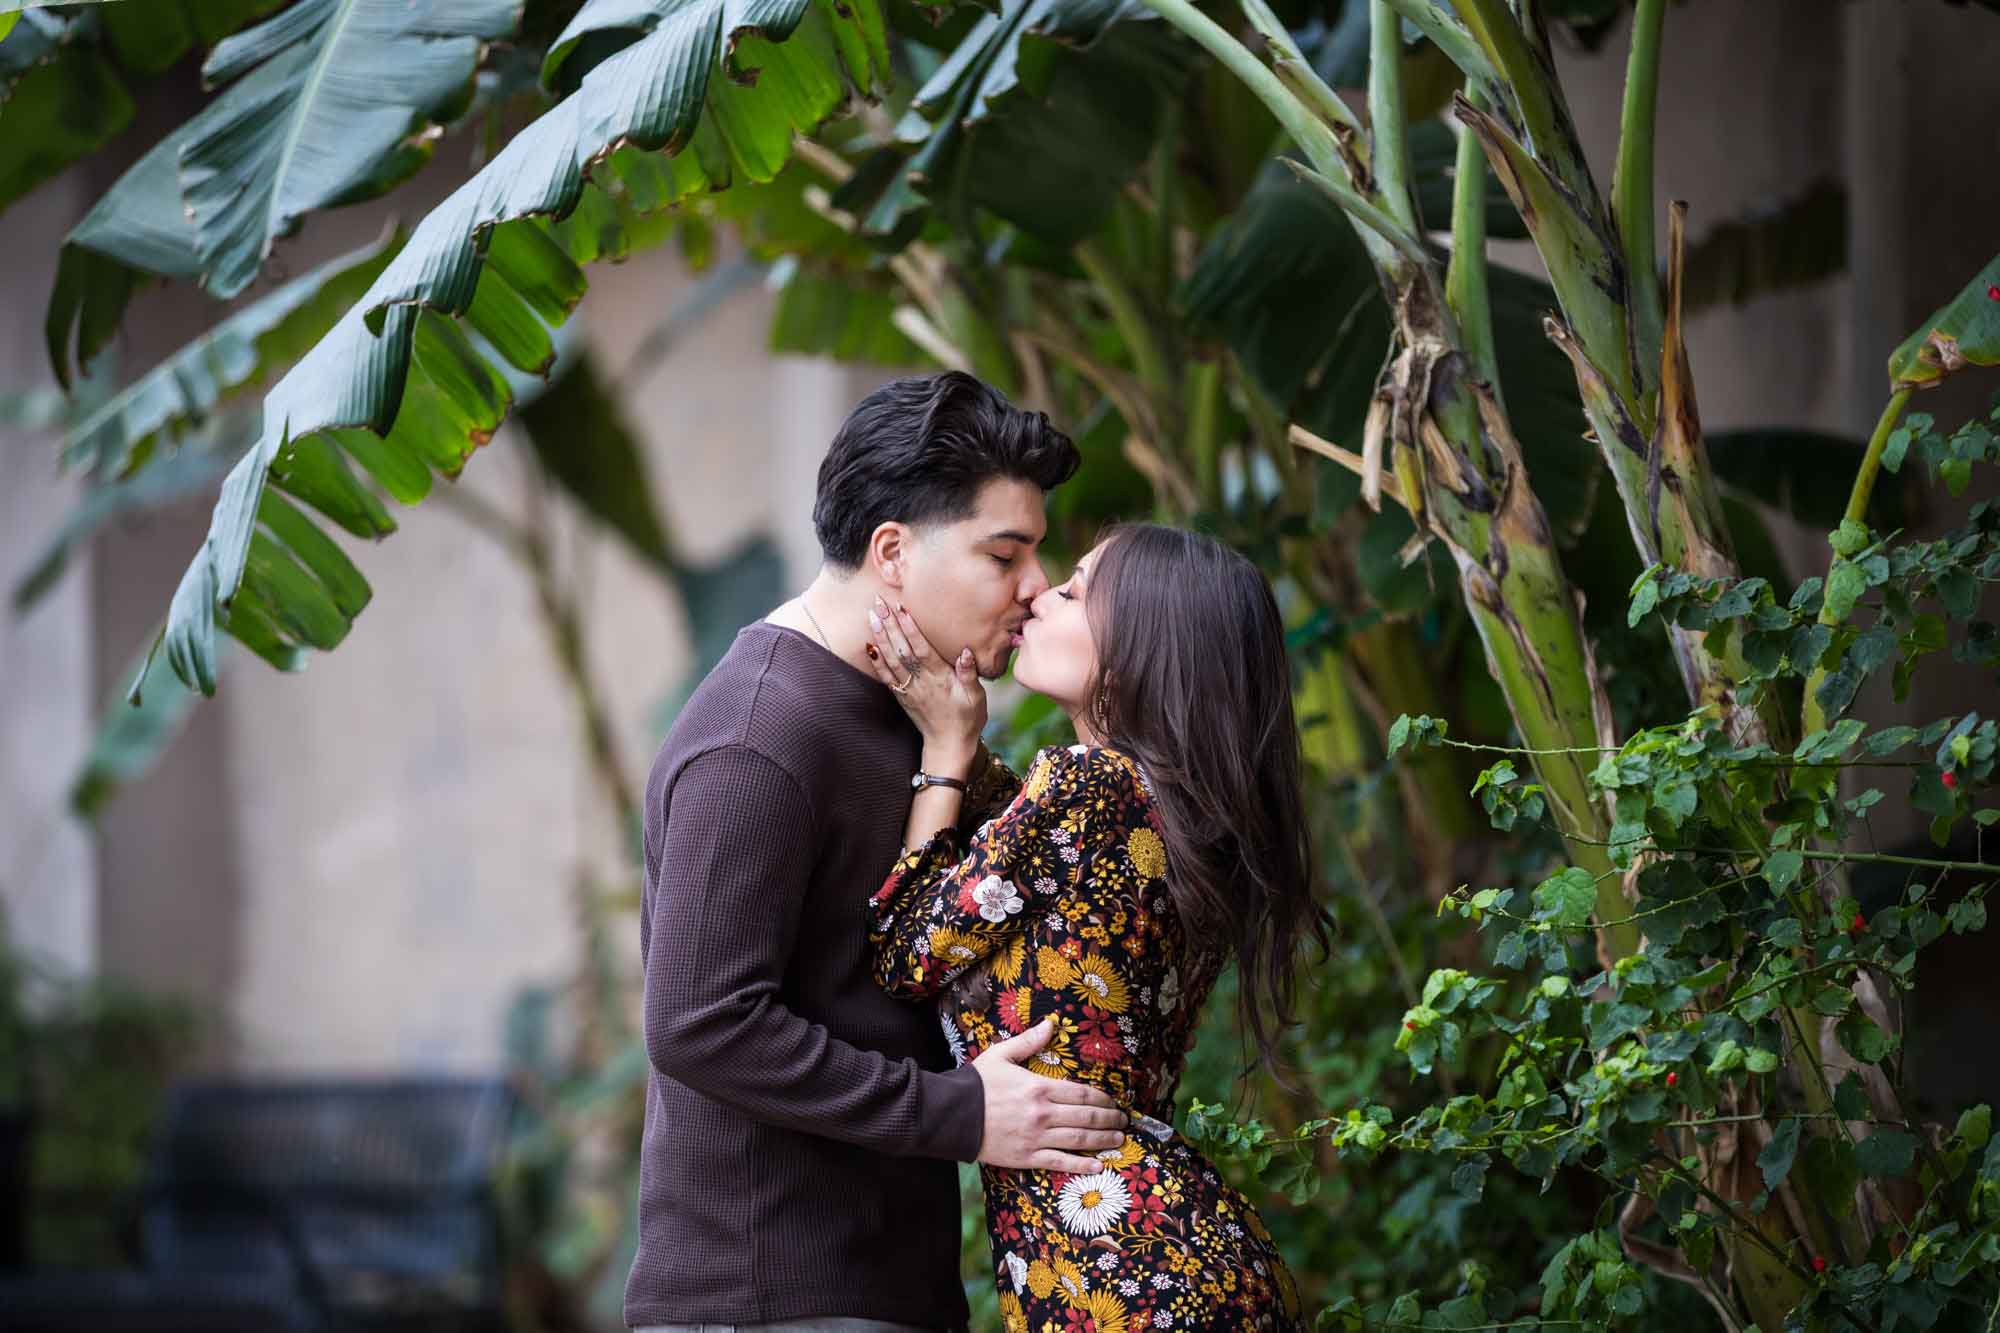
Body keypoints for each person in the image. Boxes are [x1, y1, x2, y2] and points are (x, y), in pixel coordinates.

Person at [625, 372, 1133, 1333]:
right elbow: (698, 1020)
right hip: (769, 1295)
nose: (1033, 587)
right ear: (892, 552)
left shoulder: (914, 709)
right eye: (1004, 553)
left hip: (884, 1286)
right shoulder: (760, 735)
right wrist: (959, 1113)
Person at [859, 523, 1330, 1333]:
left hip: (1118, 1275)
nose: (1040, 593)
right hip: (1173, 1253)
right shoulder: (1179, 817)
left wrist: (943, 749)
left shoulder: (1087, 788)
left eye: (1075, 591)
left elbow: (905, 952)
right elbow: (1022, 862)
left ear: (1141, 647)